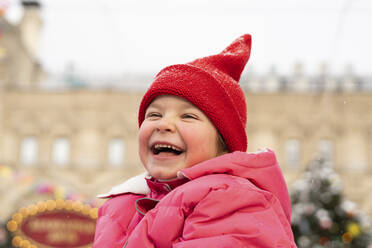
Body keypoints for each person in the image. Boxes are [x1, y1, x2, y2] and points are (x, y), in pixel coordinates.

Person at [93, 34, 297, 248]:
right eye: (154, 115)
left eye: (188, 116)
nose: (164, 124)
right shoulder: (122, 205)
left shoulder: (231, 199)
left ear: (223, 145)